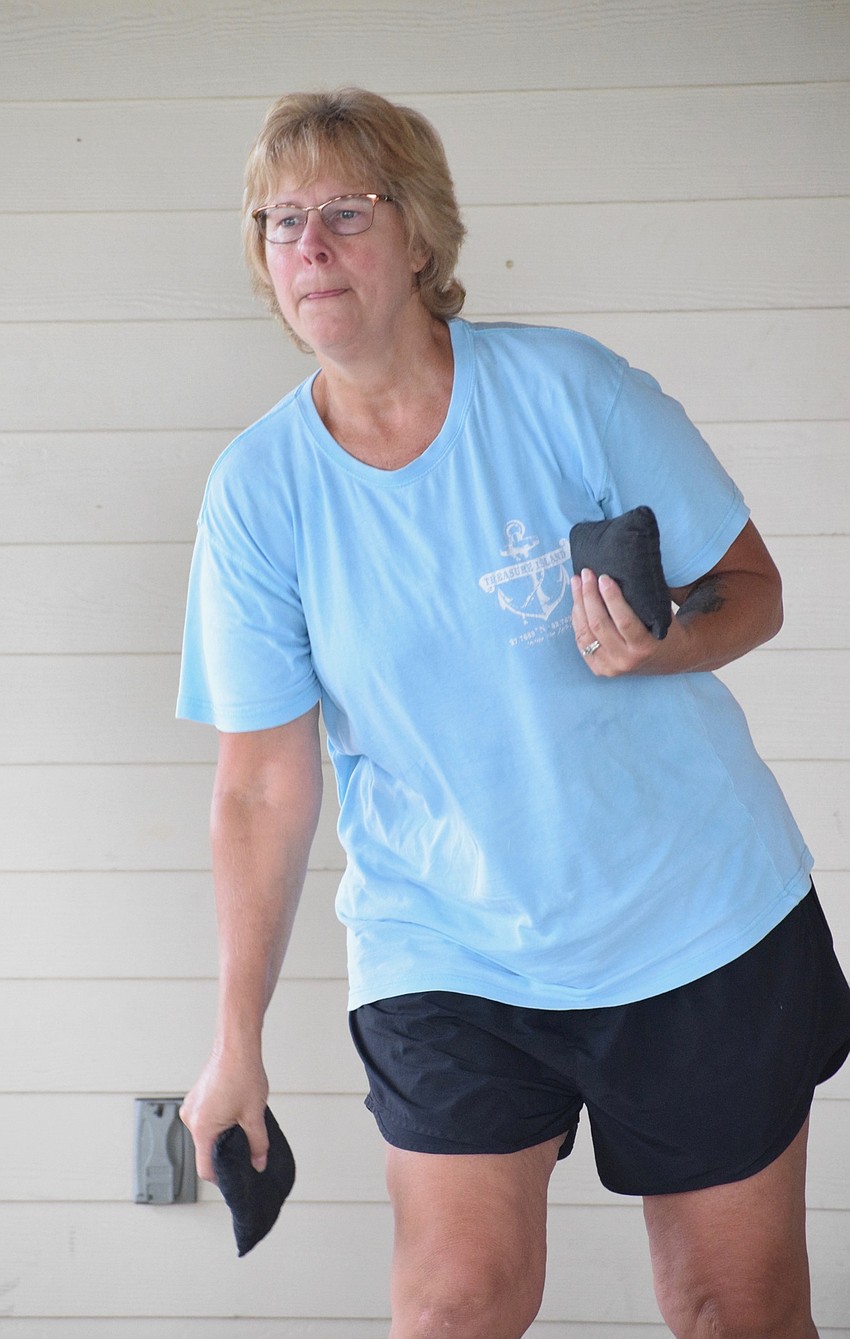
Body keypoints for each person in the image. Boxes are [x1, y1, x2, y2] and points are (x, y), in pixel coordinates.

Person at [176, 88, 850, 1338]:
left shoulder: (568, 392)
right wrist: (234, 1042)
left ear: (420, 235)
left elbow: (750, 593)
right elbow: (261, 785)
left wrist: (660, 650)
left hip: (691, 920)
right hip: (450, 943)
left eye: (343, 212)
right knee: (453, 1305)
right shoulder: (258, 494)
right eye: (280, 223)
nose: (308, 247)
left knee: (732, 1308)